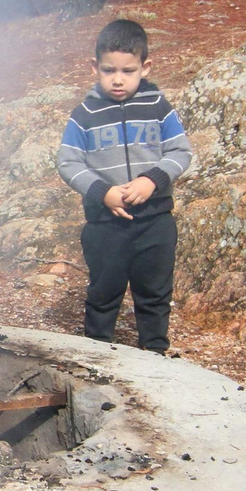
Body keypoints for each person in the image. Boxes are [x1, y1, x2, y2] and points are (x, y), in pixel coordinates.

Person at [55, 19, 194, 352]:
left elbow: (181, 151)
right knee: (104, 293)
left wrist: (152, 180)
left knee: (155, 294)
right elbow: (68, 162)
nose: (118, 80)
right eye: (108, 70)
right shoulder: (84, 114)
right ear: (94, 67)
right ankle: (98, 356)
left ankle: (155, 356)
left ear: (144, 67)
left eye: (128, 71)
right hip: (106, 225)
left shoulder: (158, 107)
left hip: (155, 221)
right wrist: (103, 192)